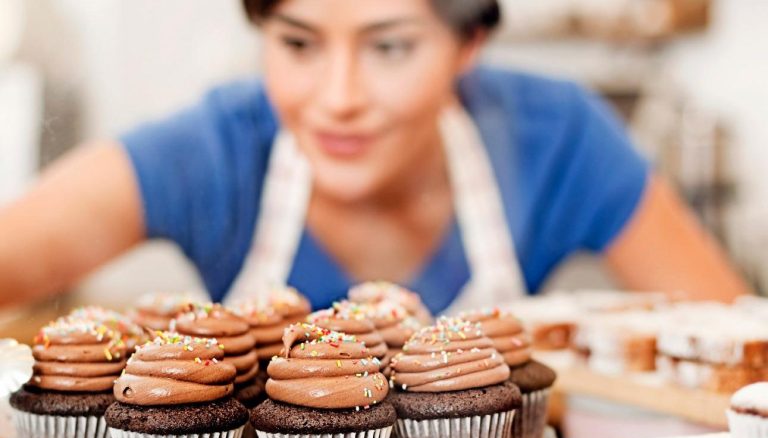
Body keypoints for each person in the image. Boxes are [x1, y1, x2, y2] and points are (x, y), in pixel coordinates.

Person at [0, 0, 749, 313]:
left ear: (469, 42)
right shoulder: (217, 151)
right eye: (297, 44)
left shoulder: (556, 138)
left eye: (389, 47)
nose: (338, 97)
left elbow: (736, 351)